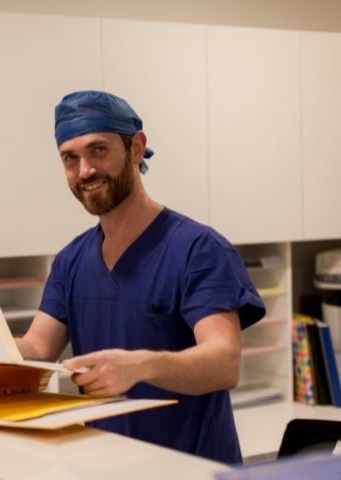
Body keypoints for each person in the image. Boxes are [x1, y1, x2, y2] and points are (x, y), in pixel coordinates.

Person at [15, 90, 265, 464]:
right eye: (71, 158)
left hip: (192, 469)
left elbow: (224, 362)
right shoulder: (71, 261)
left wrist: (141, 366)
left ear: (136, 148)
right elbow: (36, 349)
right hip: (107, 466)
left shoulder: (198, 250)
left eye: (98, 150)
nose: (85, 171)